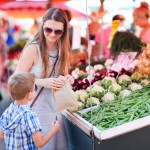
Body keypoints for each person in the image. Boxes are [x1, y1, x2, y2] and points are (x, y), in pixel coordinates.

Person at [15, 8, 74, 150]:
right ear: (42, 26)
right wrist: (42, 82)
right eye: (48, 29)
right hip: (37, 109)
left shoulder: (62, 47)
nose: (52, 34)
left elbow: (64, 73)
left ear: (64, 31)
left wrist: (68, 79)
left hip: (57, 109)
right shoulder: (33, 49)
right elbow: (17, 77)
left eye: (58, 31)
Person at [0, 72, 60, 149]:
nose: (35, 91)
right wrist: (54, 129)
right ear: (29, 95)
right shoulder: (29, 115)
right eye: (34, 89)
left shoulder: (8, 111)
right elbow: (39, 143)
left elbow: (1, 134)